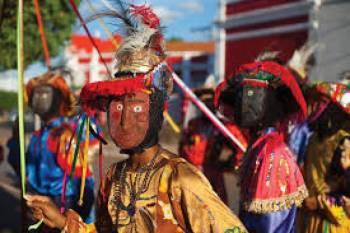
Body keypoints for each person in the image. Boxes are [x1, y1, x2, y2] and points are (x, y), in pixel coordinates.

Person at [26, 3, 247, 233]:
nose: (123, 120)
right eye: (117, 105)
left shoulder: (180, 179)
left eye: (137, 107)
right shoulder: (114, 176)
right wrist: (63, 223)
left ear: (157, 110)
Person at [215, 61, 309, 233]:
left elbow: (270, 225)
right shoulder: (259, 145)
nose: (245, 104)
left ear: (269, 103)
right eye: (242, 96)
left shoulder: (272, 151)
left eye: (252, 95)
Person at [25, 71, 97, 228]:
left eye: (45, 93)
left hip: (62, 209)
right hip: (37, 209)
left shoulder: (67, 134)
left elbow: (83, 183)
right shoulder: (37, 135)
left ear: (58, 98)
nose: (39, 98)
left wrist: (75, 221)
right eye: (36, 93)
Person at [298, 82, 350, 233]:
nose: (314, 107)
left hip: (334, 222)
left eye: (321, 103)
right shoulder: (313, 138)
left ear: (335, 110)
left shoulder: (344, 142)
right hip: (310, 219)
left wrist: (321, 202)